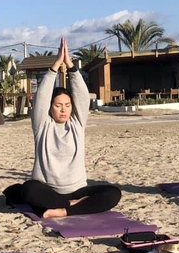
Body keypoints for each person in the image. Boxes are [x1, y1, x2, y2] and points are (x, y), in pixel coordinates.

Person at [18, 38, 121, 218]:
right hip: (48, 191)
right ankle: (75, 207)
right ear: (50, 107)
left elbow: (81, 96)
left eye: (67, 105)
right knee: (28, 190)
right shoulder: (42, 125)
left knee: (113, 193)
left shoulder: (77, 123)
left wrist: (71, 66)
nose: (64, 109)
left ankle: (65, 210)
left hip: (77, 191)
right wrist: (56, 65)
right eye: (58, 105)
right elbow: (41, 97)